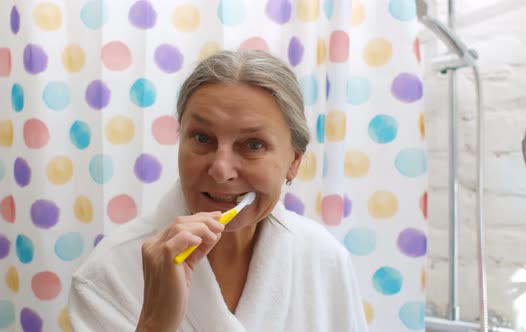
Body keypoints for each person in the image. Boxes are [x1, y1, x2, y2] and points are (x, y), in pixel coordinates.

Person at [68, 50, 369, 332]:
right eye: (202, 137)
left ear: (293, 161)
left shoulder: (325, 260)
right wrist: (155, 322)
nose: (221, 170)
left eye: (253, 145)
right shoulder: (107, 273)